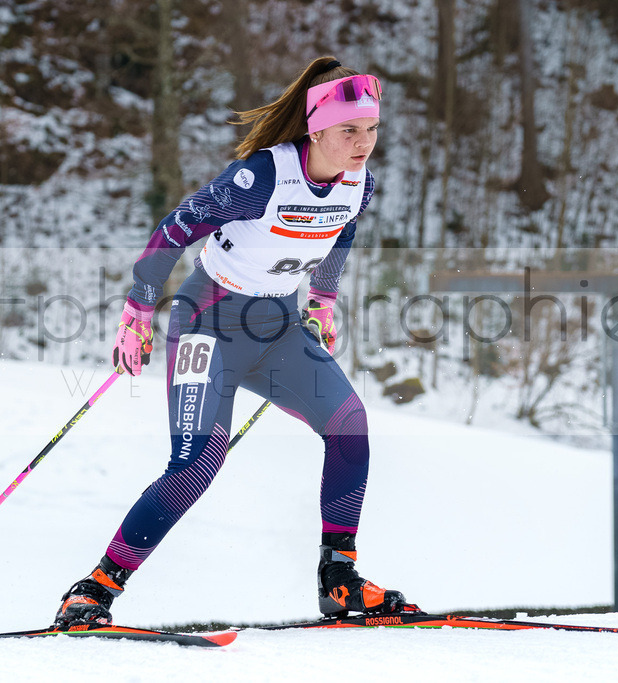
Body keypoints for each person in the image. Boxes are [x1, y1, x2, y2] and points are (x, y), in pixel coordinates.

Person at [53, 56, 417, 628]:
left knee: (350, 424)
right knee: (197, 462)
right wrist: (138, 306)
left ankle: (339, 580)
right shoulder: (261, 177)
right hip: (208, 323)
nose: (363, 143)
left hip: (276, 329)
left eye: (371, 130)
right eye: (349, 130)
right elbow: (175, 229)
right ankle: (94, 590)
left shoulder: (360, 184)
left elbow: (341, 230)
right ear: (316, 128)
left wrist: (322, 298)